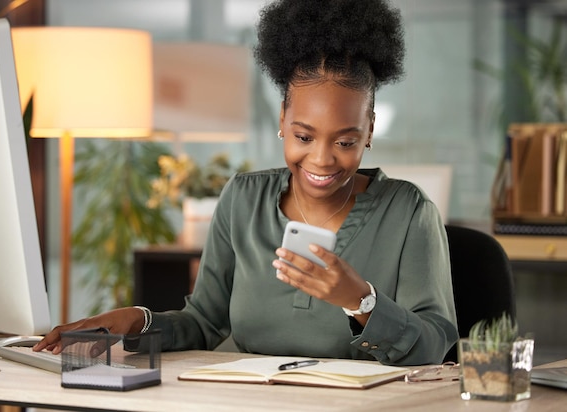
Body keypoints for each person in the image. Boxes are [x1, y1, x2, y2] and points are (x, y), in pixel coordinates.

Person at [34, 0, 458, 366]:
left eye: (345, 140)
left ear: (369, 130)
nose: (322, 159)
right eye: (303, 136)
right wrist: (137, 319)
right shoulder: (243, 199)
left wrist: (361, 301)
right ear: (281, 122)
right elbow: (204, 322)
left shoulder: (409, 212)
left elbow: (436, 344)